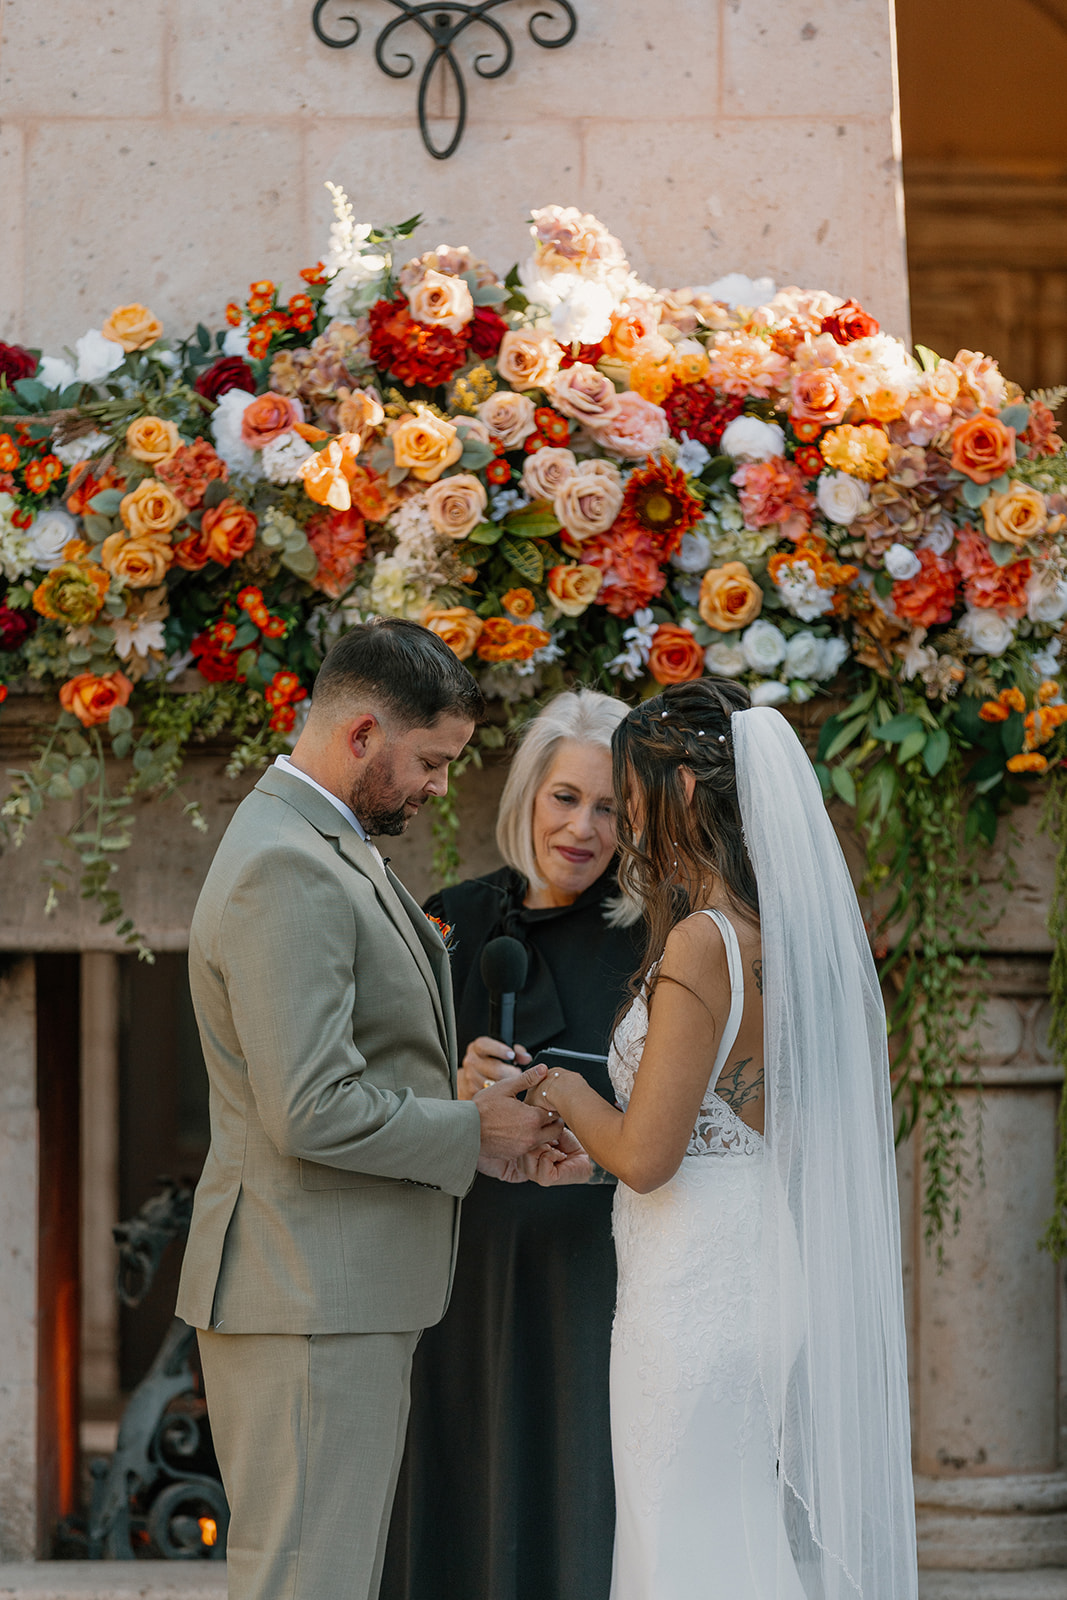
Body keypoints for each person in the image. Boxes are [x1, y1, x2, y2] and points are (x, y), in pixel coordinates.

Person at [175, 618, 571, 1600]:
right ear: (359, 734)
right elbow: (308, 1108)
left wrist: (455, 1094)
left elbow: (342, 1067)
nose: (441, 785)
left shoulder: (320, 841)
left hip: (331, 1290)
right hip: (307, 1295)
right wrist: (470, 1131)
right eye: (430, 761)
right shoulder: (287, 864)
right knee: (308, 1582)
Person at [532, 679, 918, 1600]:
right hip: (741, 1255)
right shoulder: (773, 934)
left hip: (692, 1292)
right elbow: (720, 1133)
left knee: (678, 1537)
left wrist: (559, 1088)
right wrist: (593, 1156)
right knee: (726, 1524)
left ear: (687, 793)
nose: (623, 821)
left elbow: (649, 1156)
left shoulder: (703, 941)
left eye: (629, 796)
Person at [381, 689, 644, 1600]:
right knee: (461, 1482)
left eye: (610, 807)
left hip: (593, 1265)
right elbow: (370, 1093)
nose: (583, 827)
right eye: (565, 797)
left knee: (578, 1480)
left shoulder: (656, 939)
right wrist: (448, 1094)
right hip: (463, 1263)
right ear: (527, 794)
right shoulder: (444, 919)